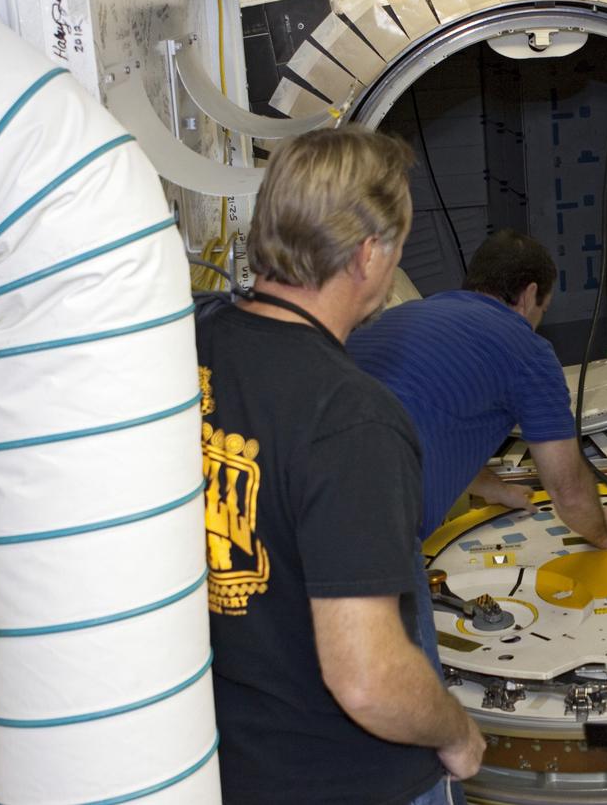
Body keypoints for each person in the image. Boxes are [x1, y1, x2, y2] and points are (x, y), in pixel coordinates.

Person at [197, 127, 484, 805]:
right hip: (352, 780)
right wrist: (455, 729)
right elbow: (368, 678)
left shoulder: (194, 347)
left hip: (230, 766)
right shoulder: (351, 418)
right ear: (368, 254)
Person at [347, 228, 607, 549]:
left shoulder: (398, 318)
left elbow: (428, 422)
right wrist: (603, 531)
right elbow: (567, 490)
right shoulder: (526, 349)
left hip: (296, 506)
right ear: (529, 295)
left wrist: (493, 488)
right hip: (372, 533)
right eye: (542, 311)